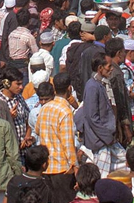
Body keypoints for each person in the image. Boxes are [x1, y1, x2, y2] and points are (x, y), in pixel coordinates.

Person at [36, 72, 78, 203]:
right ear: (69, 88)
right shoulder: (65, 111)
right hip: (62, 169)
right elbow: (68, 143)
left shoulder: (44, 108)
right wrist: (75, 166)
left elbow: (37, 130)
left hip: (46, 167)